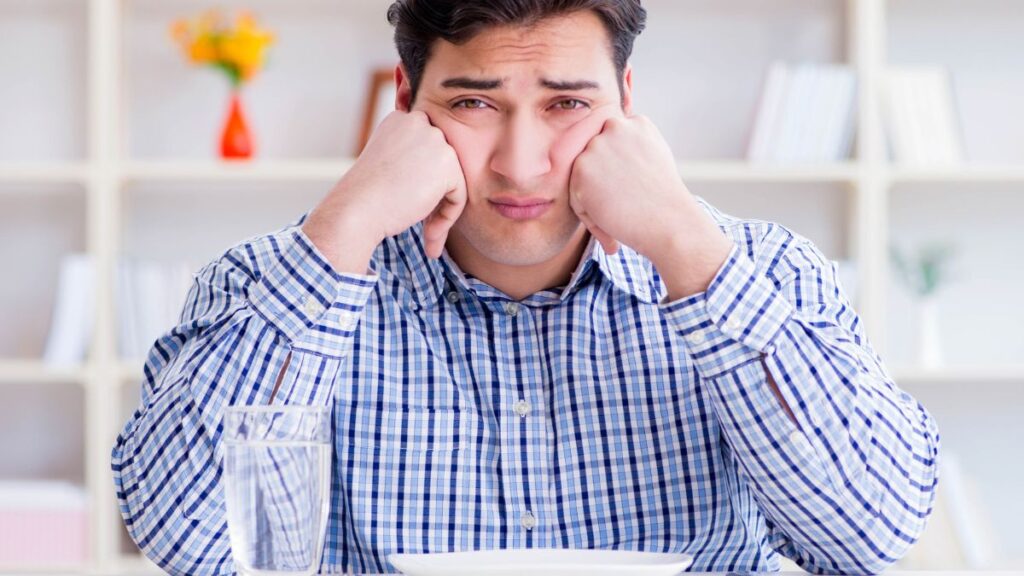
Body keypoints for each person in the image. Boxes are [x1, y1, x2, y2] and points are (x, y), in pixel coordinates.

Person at [112, 1, 940, 574]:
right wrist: (344, 226)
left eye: (566, 104)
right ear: (403, 105)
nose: (520, 162)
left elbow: (871, 536)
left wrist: (689, 248)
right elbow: (186, 543)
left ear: (626, 106)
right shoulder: (270, 283)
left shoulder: (766, 273)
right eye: (474, 102)